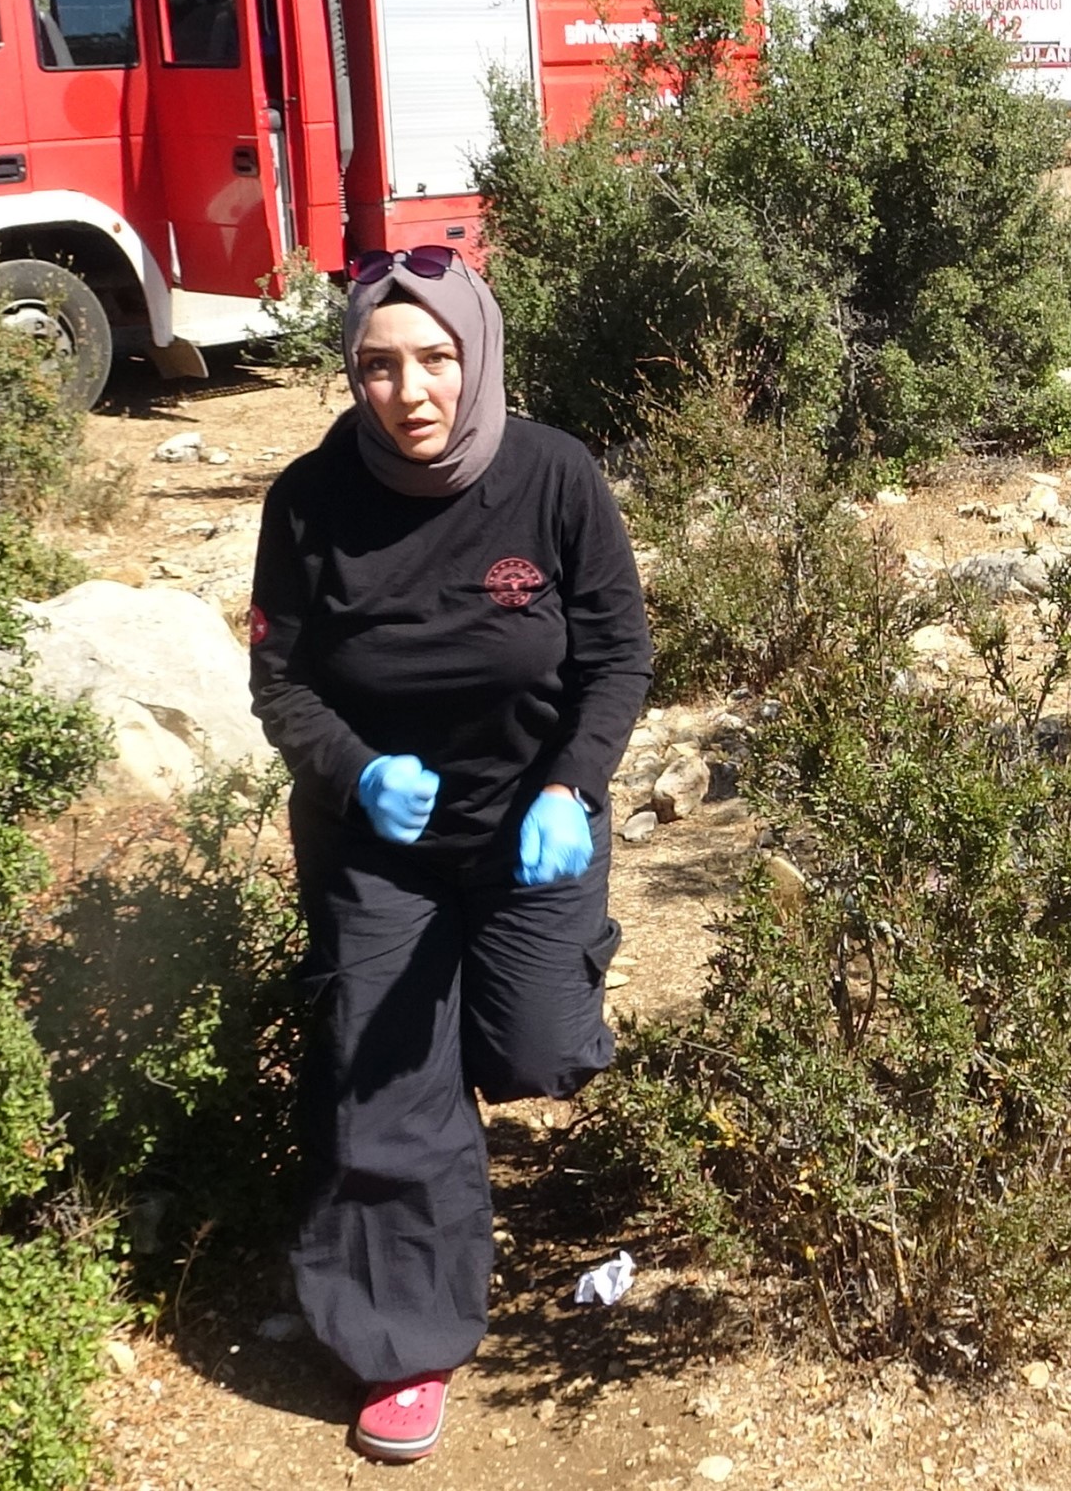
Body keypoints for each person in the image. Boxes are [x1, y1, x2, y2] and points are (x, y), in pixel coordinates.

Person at [247, 245, 653, 1465]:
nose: (410, 391)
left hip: (532, 830)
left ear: (478, 354)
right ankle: (403, 1341)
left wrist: (573, 786)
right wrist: (356, 772)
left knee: (535, 1051)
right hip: (378, 848)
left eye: (435, 358)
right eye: (379, 365)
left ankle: (511, 1006)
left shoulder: (554, 476)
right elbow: (282, 684)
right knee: (389, 1095)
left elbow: (617, 657)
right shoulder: (309, 501)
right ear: (351, 372)